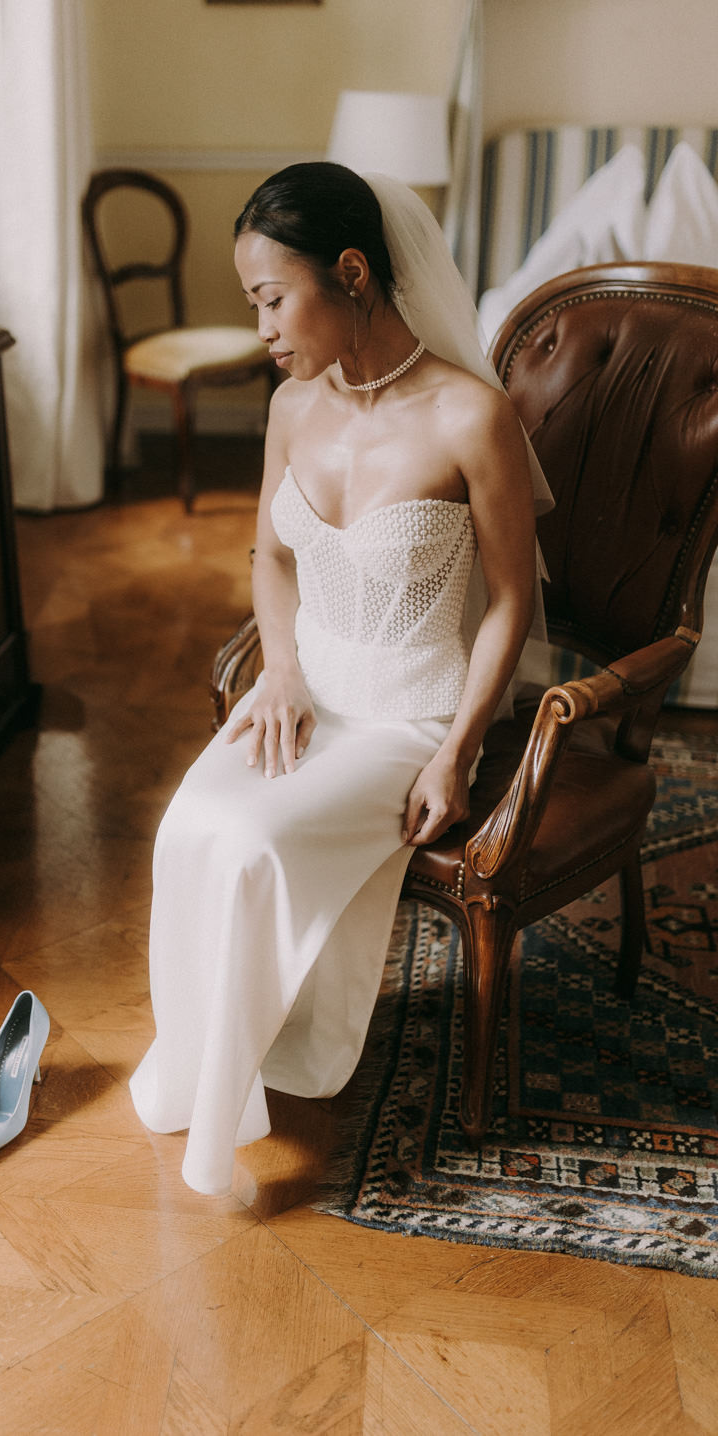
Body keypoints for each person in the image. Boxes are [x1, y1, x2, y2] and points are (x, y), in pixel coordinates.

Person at [129, 163, 551, 1196]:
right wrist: (279, 671)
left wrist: (457, 751)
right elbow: (269, 558)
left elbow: (511, 602)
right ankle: (204, 1074)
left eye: (273, 298)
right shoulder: (288, 410)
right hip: (306, 694)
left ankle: (253, 1090)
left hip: (406, 712)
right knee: (189, 829)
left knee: (257, 846)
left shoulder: (469, 418)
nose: (263, 327)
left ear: (352, 272)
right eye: (254, 306)